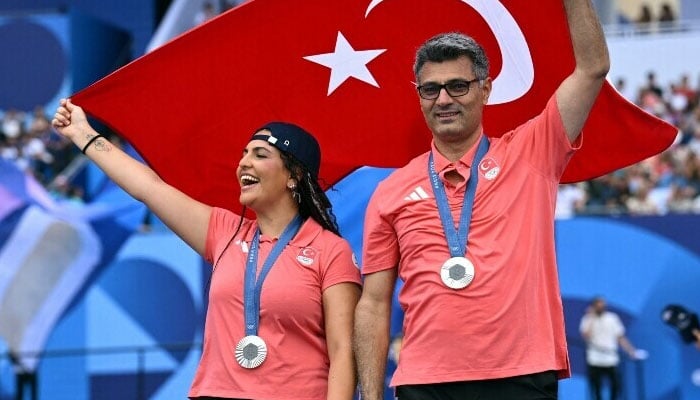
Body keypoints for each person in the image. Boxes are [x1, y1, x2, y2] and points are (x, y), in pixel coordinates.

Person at [353, 0, 610, 398]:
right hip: (425, 382)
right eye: (430, 89)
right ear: (418, 96)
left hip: (520, 376)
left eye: (458, 86)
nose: (443, 100)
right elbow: (372, 302)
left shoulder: (532, 152)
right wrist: (369, 395)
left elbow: (592, 68)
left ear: (485, 89)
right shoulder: (391, 191)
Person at [52, 100, 362, 400]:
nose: (244, 163)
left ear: (293, 176)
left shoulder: (329, 251)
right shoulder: (224, 232)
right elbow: (149, 187)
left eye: (260, 154)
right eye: (244, 154)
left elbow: (343, 350)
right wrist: (83, 134)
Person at [580, 297, 639, 400]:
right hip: (595, 360)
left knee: (616, 385)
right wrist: (591, 317)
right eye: (598, 305)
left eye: (602, 305)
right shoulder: (587, 319)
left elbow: (620, 337)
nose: (601, 307)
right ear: (594, 306)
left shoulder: (612, 318)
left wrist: (631, 350)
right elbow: (585, 336)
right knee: (596, 389)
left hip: (611, 359)